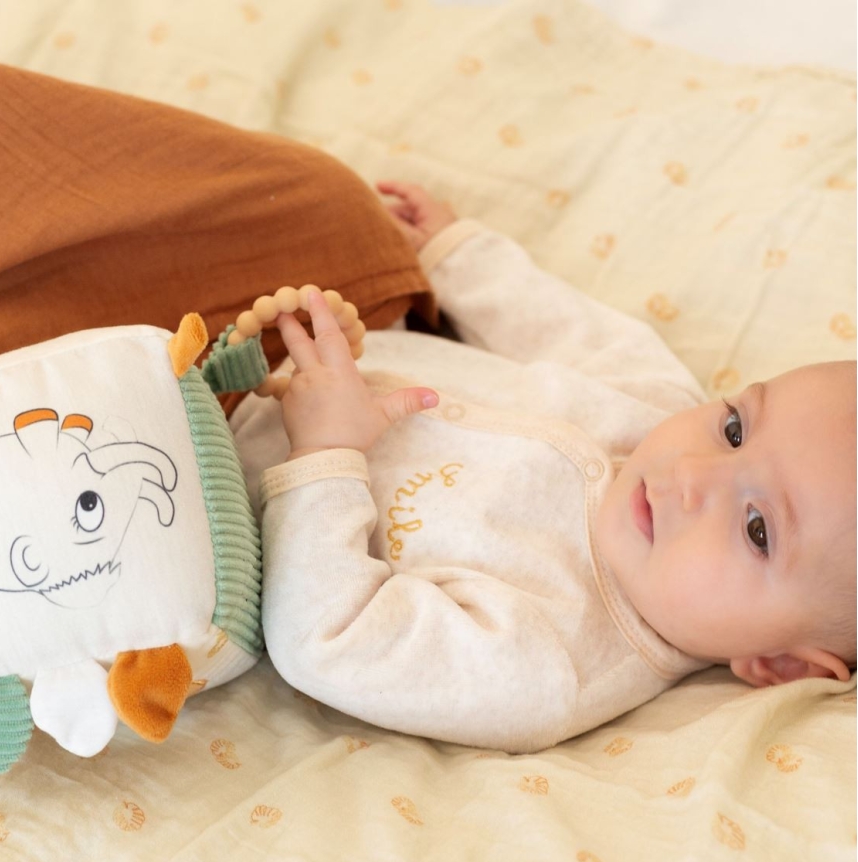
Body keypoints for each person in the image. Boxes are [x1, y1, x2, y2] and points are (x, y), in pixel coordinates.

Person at [227, 181, 857, 754]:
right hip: (284, 331)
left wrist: (323, 452)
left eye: (757, 529)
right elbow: (563, 328)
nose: (693, 473)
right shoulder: (653, 404)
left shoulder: (544, 665)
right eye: (735, 429)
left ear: (782, 666)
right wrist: (453, 255)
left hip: (201, 471)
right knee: (313, 190)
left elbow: (331, 638)